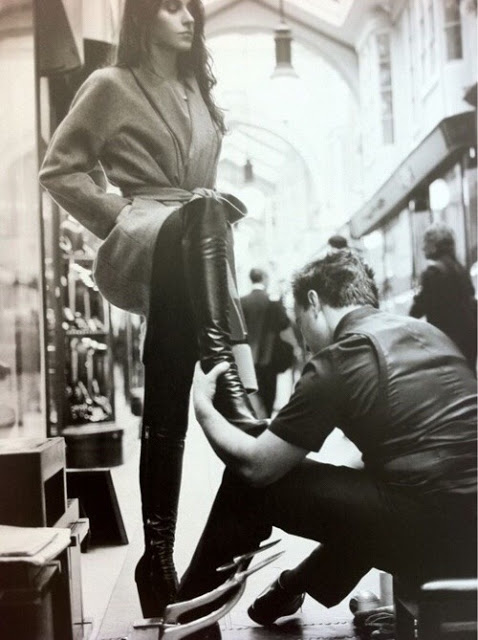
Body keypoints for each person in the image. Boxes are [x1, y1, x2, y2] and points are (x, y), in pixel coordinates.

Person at [39, 0, 263, 619]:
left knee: (165, 405)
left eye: (191, 7)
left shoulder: (198, 89)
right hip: (151, 236)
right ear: (142, 17)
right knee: (236, 419)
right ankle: (230, 382)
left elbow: (202, 199)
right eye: (170, 7)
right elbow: (59, 170)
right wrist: (125, 214)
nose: (187, 17)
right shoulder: (110, 84)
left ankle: (158, 561)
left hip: (199, 254)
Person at [177, 250, 476, 638]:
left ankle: (187, 620)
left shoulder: (341, 357)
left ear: (314, 302)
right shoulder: (428, 335)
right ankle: (290, 588)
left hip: (430, 538)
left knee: (245, 484)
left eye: (299, 319)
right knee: (381, 495)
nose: (302, 338)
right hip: (468, 533)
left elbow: (257, 467)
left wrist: (204, 410)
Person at [410, 222, 477, 370]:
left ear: (435, 245)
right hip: (470, 339)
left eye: (426, 242)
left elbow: (415, 312)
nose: (423, 247)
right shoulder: (461, 269)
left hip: (447, 343)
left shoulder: (432, 274)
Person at [240, 268, 295, 417]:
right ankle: (266, 421)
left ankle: (253, 419)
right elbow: (284, 324)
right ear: (264, 279)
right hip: (269, 357)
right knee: (269, 394)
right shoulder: (272, 302)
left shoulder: (242, 302)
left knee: (250, 393)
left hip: (247, 357)